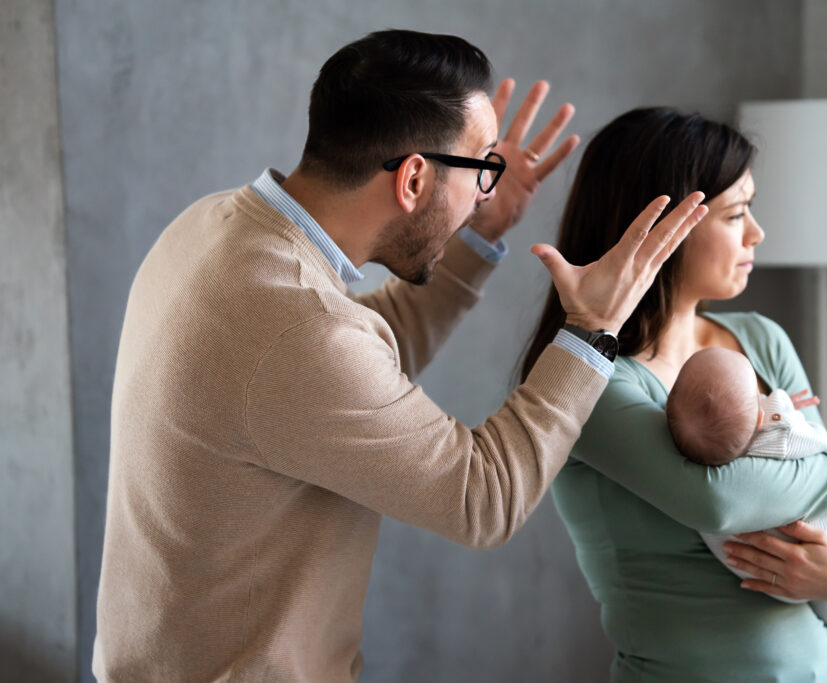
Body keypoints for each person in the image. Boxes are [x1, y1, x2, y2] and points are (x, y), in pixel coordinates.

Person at [93, 32, 709, 681]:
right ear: (415, 176)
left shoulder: (215, 227)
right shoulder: (300, 328)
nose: (482, 192)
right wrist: (591, 330)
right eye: (480, 168)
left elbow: (351, 355)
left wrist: (476, 232)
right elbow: (484, 495)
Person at [521, 107, 827, 682]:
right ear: (664, 226)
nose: (757, 233)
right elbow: (718, 502)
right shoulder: (587, 377)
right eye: (737, 213)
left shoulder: (761, 339)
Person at [667, 347, 827, 654]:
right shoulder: (777, 434)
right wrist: (786, 410)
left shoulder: (699, 460)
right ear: (760, 416)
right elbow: (821, 445)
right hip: (820, 548)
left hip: (749, 568)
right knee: (821, 540)